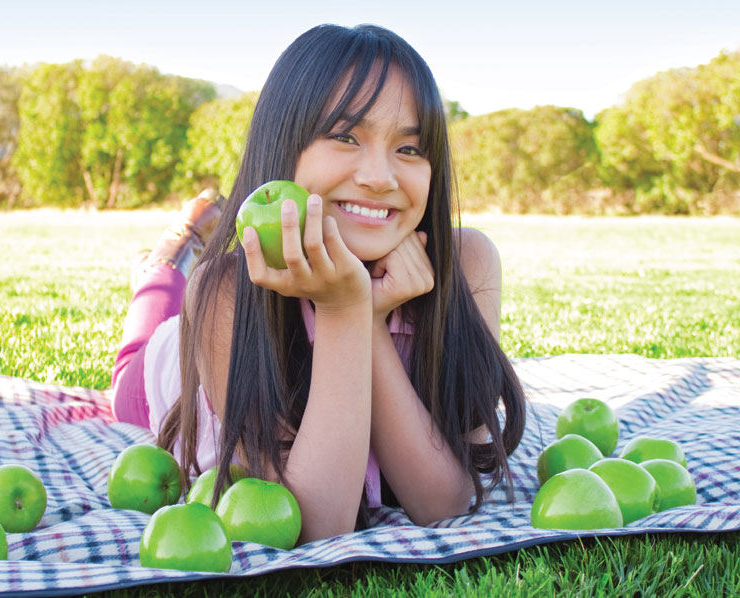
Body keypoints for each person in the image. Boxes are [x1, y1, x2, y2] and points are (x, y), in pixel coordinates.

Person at [111, 23, 526, 544]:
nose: (380, 177)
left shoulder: (467, 266)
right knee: (146, 331)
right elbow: (314, 525)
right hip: (170, 369)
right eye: (345, 136)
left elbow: (441, 503)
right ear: (283, 145)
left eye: (410, 149)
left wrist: (365, 315)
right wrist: (340, 310)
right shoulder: (225, 295)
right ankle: (168, 259)